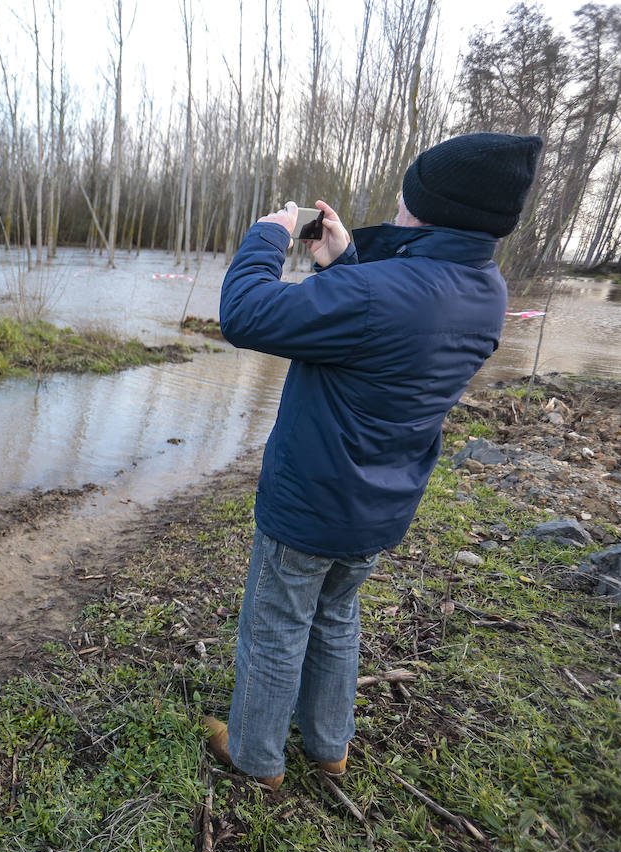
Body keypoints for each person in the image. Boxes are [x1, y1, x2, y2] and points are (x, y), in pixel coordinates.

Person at [203, 132, 543, 788]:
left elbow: (244, 314)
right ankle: (330, 747)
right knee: (336, 616)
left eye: (408, 198)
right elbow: (390, 327)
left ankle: (254, 757)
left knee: (277, 625)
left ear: (435, 209)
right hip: (382, 503)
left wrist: (270, 234)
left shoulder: (382, 295)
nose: (399, 205)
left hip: (311, 499)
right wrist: (346, 258)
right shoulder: (484, 289)